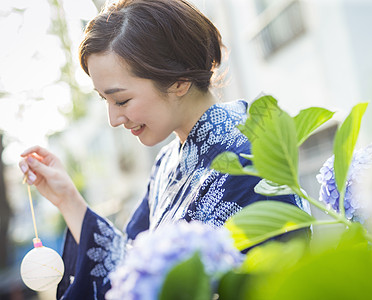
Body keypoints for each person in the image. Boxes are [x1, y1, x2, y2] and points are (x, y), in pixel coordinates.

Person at [19, 0, 310, 299]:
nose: (114, 119)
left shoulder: (251, 160)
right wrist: (66, 198)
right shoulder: (168, 163)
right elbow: (128, 269)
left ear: (179, 80)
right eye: (105, 101)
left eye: (121, 101)